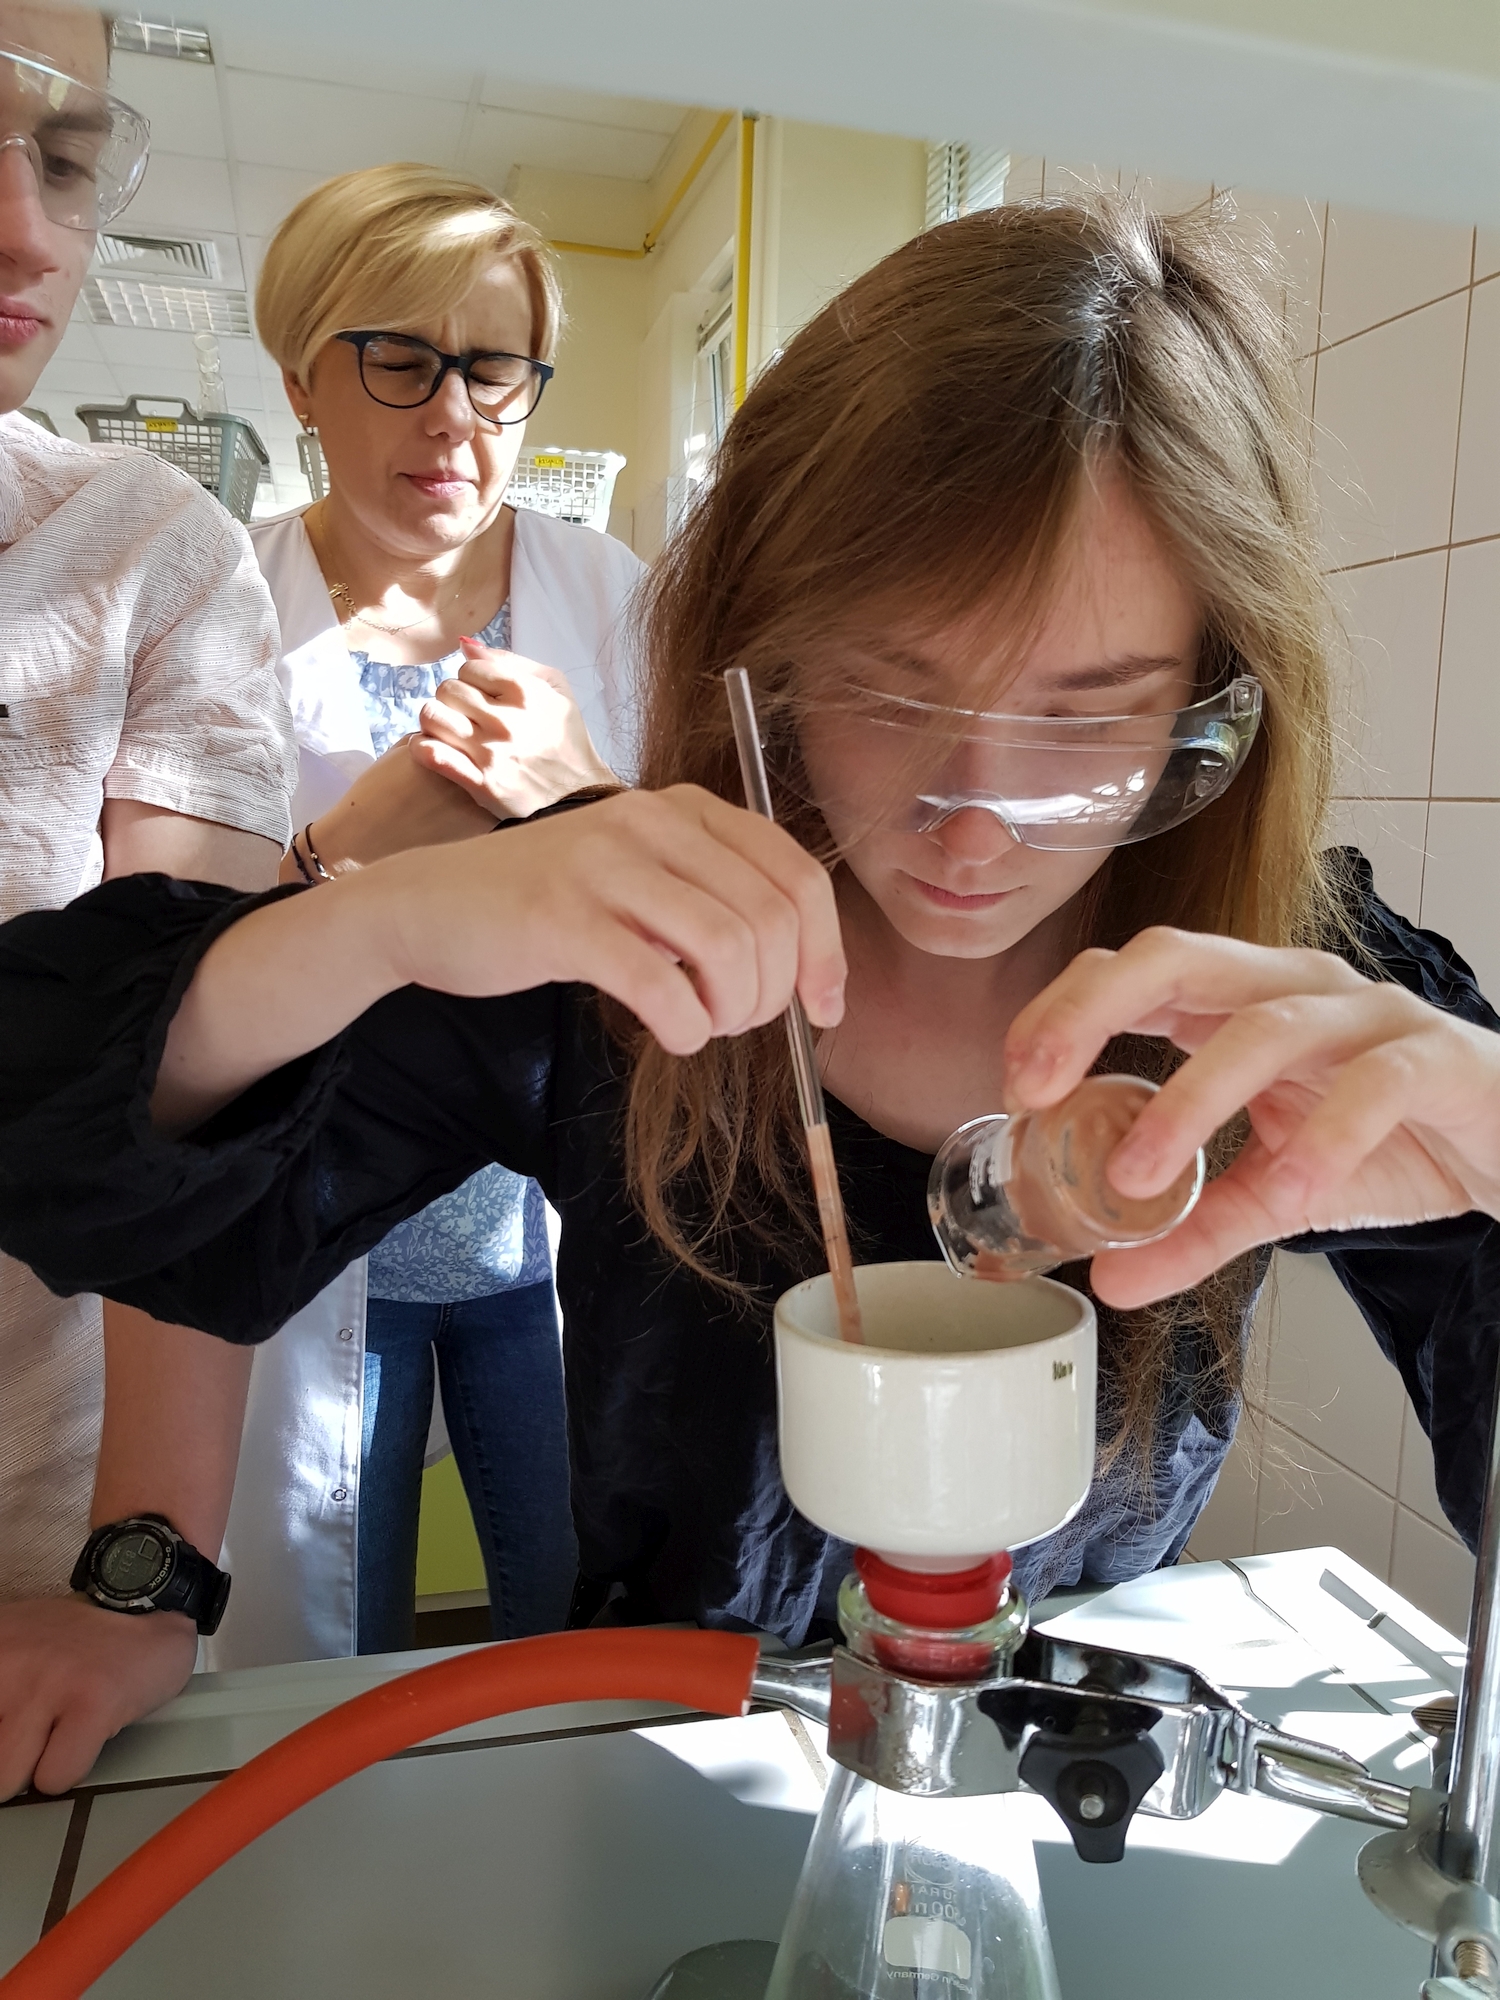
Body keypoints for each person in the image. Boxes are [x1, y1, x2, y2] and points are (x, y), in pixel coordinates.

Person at [3, 196, 1499, 1800]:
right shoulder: (629, 953)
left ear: (1214, 699)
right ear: (764, 655)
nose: (977, 828)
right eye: (891, 693)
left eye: (1092, 719)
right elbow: (95, 1172)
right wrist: (377, 921)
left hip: (1071, 1797)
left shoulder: (1289, 980)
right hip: (661, 1774)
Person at [206, 163, 639, 1666]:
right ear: (300, 383)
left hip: (544, 1255)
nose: (455, 415)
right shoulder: (221, 605)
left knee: (583, 1639)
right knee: (328, 1659)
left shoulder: (613, 599)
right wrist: (345, 846)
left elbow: (703, 910)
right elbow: (147, 984)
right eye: (400, 359)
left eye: (494, 366)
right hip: (329, 1255)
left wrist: (587, 792)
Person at [0, 0, 296, 1784]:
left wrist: (143, 1570)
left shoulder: (138, 557)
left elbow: (184, 1066)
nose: (28, 234)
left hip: (22, 1563)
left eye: (65, 159)